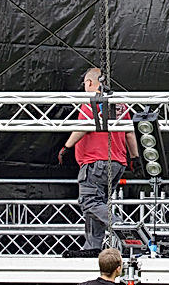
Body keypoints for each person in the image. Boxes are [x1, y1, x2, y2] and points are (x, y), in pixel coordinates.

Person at [59, 68, 139, 257]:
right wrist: (134, 157)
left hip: (96, 162)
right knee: (96, 204)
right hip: (117, 162)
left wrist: (66, 147)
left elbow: (83, 127)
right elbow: (129, 132)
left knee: (89, 201)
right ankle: (92, 248)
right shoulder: (119, 104)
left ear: (89, 83)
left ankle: (121, 227)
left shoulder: (92, 103)